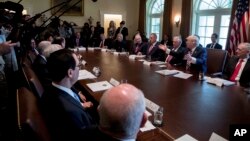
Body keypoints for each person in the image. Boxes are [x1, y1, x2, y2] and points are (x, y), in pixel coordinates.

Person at [41, 49, 96, 141]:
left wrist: (81, 105)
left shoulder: (51, 89)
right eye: (79, 66)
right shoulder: (71, 112)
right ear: (70, 73)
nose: (80, 68)